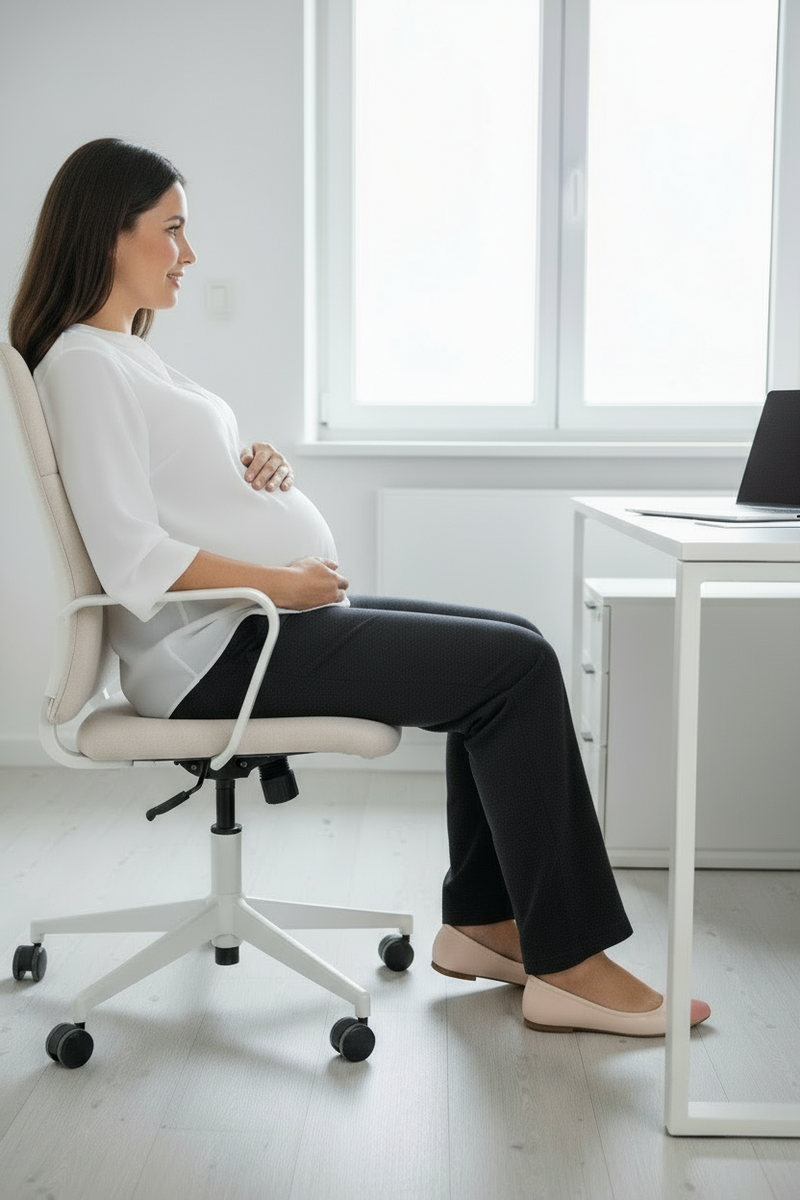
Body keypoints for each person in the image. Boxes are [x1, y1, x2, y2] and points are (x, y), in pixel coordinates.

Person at [10, 138, 710, 1037]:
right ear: (111, 235)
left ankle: (484, 926)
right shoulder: (82, 365)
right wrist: (281, 580)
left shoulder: (125, 355)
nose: (189, 254)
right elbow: (129, 554)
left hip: (250, 630)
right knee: (514, 673)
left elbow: (169, 492)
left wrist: (248, 468)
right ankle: (569, 965)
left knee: (515, 646)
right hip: (223, 654)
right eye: (173, 230)